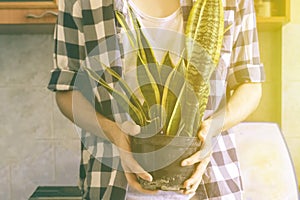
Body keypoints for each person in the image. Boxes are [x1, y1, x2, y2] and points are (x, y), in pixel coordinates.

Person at [48, 0, 265, 199]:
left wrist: (212, 129)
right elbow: (67, 91)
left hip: (212, 182)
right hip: (112, 182)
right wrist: (114, 133)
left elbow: (250, 84)